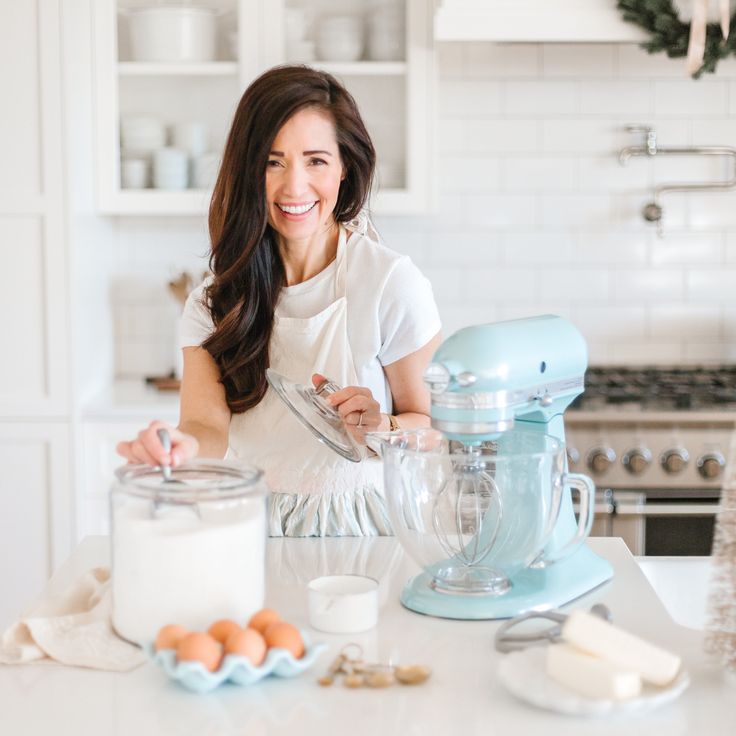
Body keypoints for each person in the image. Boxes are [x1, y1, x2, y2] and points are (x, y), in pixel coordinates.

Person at [116, 65, 441, 536]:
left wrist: (383, 425)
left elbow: (434, 426)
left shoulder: (390, 282)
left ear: (345, 167)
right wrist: (176, 447)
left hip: (370, 530)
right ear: (248, 171)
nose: (294, 187)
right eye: (273, 162)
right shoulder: (214, 300)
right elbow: (205, 426)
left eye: (316, 160)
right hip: (252, 527)